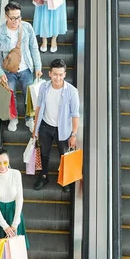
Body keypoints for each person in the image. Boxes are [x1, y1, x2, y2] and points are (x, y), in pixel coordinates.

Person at [0, 1, 43, 133]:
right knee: (10, 95)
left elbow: (34, 48)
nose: (16, 20)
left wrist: (38, 67)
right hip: (8, 71)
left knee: (29, 95)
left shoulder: (27, 28)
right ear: (6, 16)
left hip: (26, 68)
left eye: (18, 17)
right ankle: (13, 119)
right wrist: (0, 72)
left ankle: (29, 118)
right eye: (12, 18)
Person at [33, 59, 79, 192]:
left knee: (63, 155)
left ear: (65, 74)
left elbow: (75, 115)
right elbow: (39, 107)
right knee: (44, 153)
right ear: (49, 74)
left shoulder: (72, 92)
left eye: (60, 74)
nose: (57, 78)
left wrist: (74, 134)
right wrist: (36, 128)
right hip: (46, 127)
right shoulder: (44, 87)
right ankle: (43, 176)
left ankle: (66, 180)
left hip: (63, 129)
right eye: (55, 74)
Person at [0, 147, 29, 253]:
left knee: (15, 248)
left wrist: (15, 223)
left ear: (9, 161)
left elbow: (19, 198)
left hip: (14, 210)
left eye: (5, 162)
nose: (2, 166)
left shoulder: (15, 174)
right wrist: (4, 225)